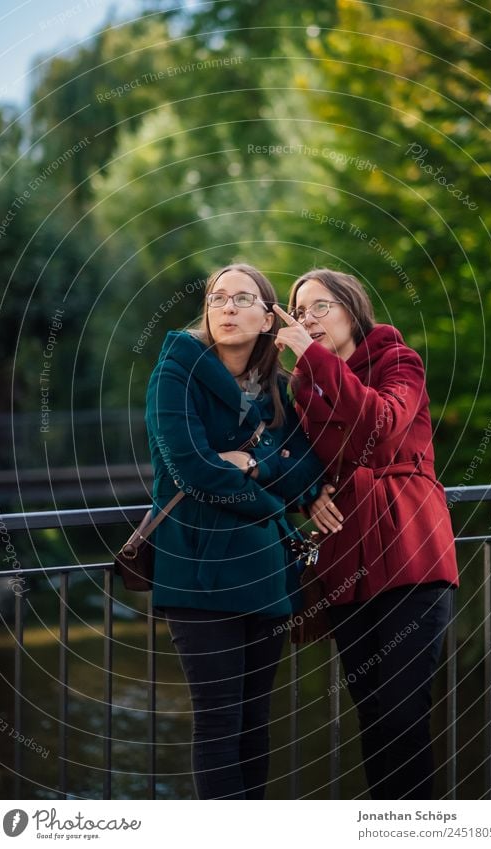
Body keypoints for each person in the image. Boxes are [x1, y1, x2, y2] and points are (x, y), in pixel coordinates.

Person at [273, 268, 459, 800]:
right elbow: (293, 461)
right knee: (375, 724)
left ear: (352, 310)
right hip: (347, 563)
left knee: (404, 719)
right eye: (300, 310)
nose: (308, 318)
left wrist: (312, 356)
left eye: (321, 306)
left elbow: (381, 426)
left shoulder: (398, 361)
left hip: (411, 552)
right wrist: (308, 492)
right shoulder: (302, 389)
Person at [145, 263, 322, 800]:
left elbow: (307, 470)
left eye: (242, 299)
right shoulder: (175, 370)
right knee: (219, 726)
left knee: (253, 725)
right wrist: (272, 500)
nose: (226, 308)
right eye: (218, 298)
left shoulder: (282, 387)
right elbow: (192, 469)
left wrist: (253, 464)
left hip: (268, 574)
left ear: (268, 318)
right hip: (198, 569)